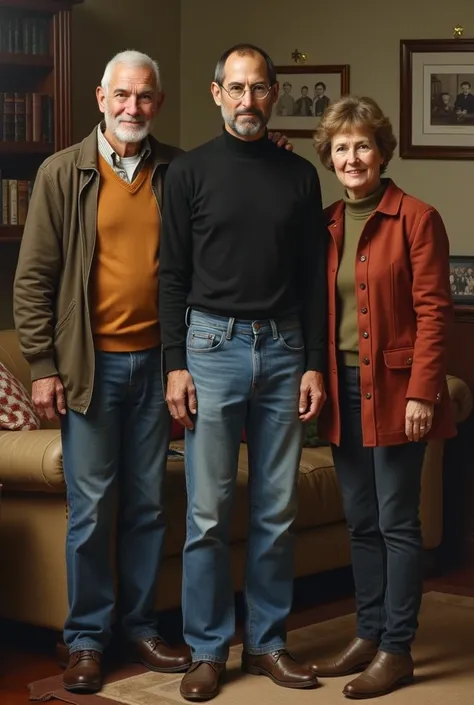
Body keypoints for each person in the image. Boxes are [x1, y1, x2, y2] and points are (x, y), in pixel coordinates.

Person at [13, 49, 193, 694]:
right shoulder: (63, 173)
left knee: (147, 505)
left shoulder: (179, 171)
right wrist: (42, 364)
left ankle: (140, 626)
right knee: (90, 509)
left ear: (159, 103)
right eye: (121, 96)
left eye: (144, 97)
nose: (132, 108)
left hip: (159, 367)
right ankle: (86, 639)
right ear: (99, 97)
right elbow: (33, 277)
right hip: (88, 370)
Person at [159, 43, 327, 701]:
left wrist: (313, 362)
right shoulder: (189, 173)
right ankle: (207, 649)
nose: (248, 100)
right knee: (208, 511)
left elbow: (313, 277)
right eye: (236, 88)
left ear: (275, 95)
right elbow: (171, 275)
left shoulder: (300, 175)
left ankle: (267, 642)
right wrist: (175, 364)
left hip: (285, 350)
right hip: (210, 348)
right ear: (216, 93)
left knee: (276, 508)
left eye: (259, 88)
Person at [310, 96, 456, 699]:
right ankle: (367, 635)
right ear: (329, 157)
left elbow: (434, 311)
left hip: (399, 390)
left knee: (397, 523)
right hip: (343, 390)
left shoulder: (417, 218)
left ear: (382, 152)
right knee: (361, 521)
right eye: (341, 148)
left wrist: (424, 391)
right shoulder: (325, 223)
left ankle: (397, 649)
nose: (352, 157)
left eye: (362, 145)